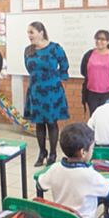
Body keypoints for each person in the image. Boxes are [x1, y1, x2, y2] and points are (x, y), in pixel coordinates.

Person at [38, 123, 109, 218]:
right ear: (83, 152)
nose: (92, 151)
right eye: (92, 148)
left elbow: (40, 184)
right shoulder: (90, 175)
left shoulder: (55, 168)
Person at [24, 22, 69, 166]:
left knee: (51, 122)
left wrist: (57, 79)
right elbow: (29, 68)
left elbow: (64, 65)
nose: (29, 35)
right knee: (39, 123)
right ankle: (42, 152)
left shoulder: (55, 48)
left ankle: (53, 153)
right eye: (28, 33)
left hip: (52, 91)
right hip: (35, 90)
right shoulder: (28, 50)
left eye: (32, 32)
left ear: (41, 32)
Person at [79, 30, 109, 116]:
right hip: (92, 94)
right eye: (97, 39)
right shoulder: (88, 54)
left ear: (108, 41)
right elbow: (83, 71)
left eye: (102, 39)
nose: (99, 41)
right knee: (94, 117)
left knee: (108, 117)